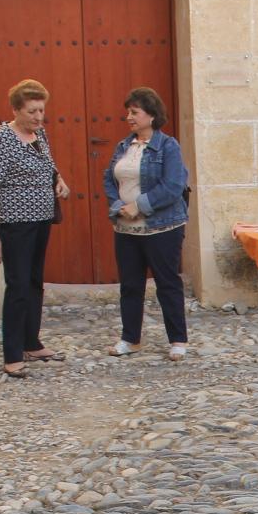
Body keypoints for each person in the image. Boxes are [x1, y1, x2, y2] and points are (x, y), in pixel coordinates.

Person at [0, 78, 70, 379]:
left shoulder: (39, 134)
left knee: (34, 282)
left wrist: (59, 180)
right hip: (15, 224)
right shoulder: (2, 140)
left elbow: (49, 166)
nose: (38, 116)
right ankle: (12, 353)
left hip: (41, 219)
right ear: (16, 110)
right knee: (18, 286)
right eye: (32, 111)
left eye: (41, 110)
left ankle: (32, 342)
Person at [102, 86, 190, 360]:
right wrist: (118, 206)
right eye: (128, 112)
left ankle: (177, 340)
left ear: (151, 115)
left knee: (167, 283)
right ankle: (131, 339)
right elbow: (109, 178)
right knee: (130, 285)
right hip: (126, 229)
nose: (129, 117)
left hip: (162, 228)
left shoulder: (168, 146)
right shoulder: (123, 146)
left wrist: (139, 206)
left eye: (134, 112)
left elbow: (173, 185)